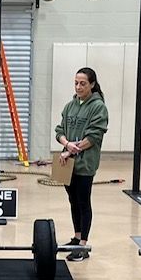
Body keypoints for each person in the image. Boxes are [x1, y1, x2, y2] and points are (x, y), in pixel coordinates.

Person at [54, 67, 109, 261]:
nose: (78, 86)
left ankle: (83, 246)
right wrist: (66, 144)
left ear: (92, 84)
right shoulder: (71, 105)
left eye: (83, 83)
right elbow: (59, 130)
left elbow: (94, 135)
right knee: (73, 201)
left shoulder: (98, 107)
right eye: (76, 83)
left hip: (85, 165)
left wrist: (71, 150)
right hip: (68, 165)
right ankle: (76, 238)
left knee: (84, 202)